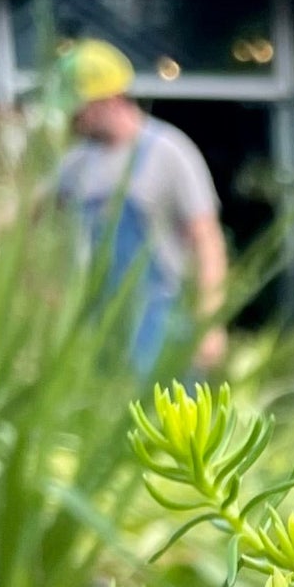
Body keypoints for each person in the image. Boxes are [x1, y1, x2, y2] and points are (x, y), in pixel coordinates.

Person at [56, 40, 228, 375]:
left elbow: (207, 239)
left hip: (162, 322)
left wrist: (209, 322)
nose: (74, 118)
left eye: (81, 107)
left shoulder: (169, 152)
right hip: (101, 324)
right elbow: (31, 211)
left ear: (110, 99)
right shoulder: (77, 164)